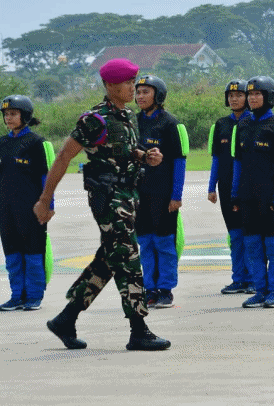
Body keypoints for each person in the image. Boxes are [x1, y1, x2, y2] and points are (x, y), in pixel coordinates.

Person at [35, 57, 170, 350]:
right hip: (108, 199)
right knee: (129, 258)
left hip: (129, 196)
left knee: (109, 260)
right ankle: (138, 330)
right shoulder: (94, 120)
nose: (133, 87)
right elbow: (63, 157)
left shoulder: (127, 115)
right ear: (110, 85)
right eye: (128, 83)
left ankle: (65, 319)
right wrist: (45, 199)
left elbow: (123, 149)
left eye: (134, 82)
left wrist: (144, 155)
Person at [232, 76, 274, 309]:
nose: (253, 98)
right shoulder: (242, 126)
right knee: (252, 246)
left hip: (270, 199)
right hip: (247, 197)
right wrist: (235, 193)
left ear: (269, 97)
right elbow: (237, 162)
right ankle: (260, 290)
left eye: (258, 94)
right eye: (251, 94)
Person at [134, 75, 187, 309]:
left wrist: (176, 195)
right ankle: (150, 289)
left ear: (158, 95)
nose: (140, 96)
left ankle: (165, 289)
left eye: (146, 91)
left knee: (164, 242)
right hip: (139, 194)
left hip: (163, 194)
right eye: (138, 92)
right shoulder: (133, 122)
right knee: (145, 242)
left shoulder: (169, 123)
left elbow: (179, 161)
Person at [0, 95, 49, 311]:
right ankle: (16, 295)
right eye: (5, 115)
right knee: (12, 252)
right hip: (6, 208)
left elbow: (45, 176)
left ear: (25, 116)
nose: (8, 118)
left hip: (31, 208)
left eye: (13, 114)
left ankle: (34, 296)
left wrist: (48, 205)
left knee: (32, 251)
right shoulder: (2, 143)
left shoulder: (36, 143)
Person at [208, 79, 253, 294]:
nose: (234, 99)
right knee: (235, 235)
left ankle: (254, 278)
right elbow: (216, 158)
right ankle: (239, 278)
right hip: (226, 187)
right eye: (231, 95)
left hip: (248, 187)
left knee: (250, 234)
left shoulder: (254, 122)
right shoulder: (221, 124)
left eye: (239, 95)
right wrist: (211, 187)